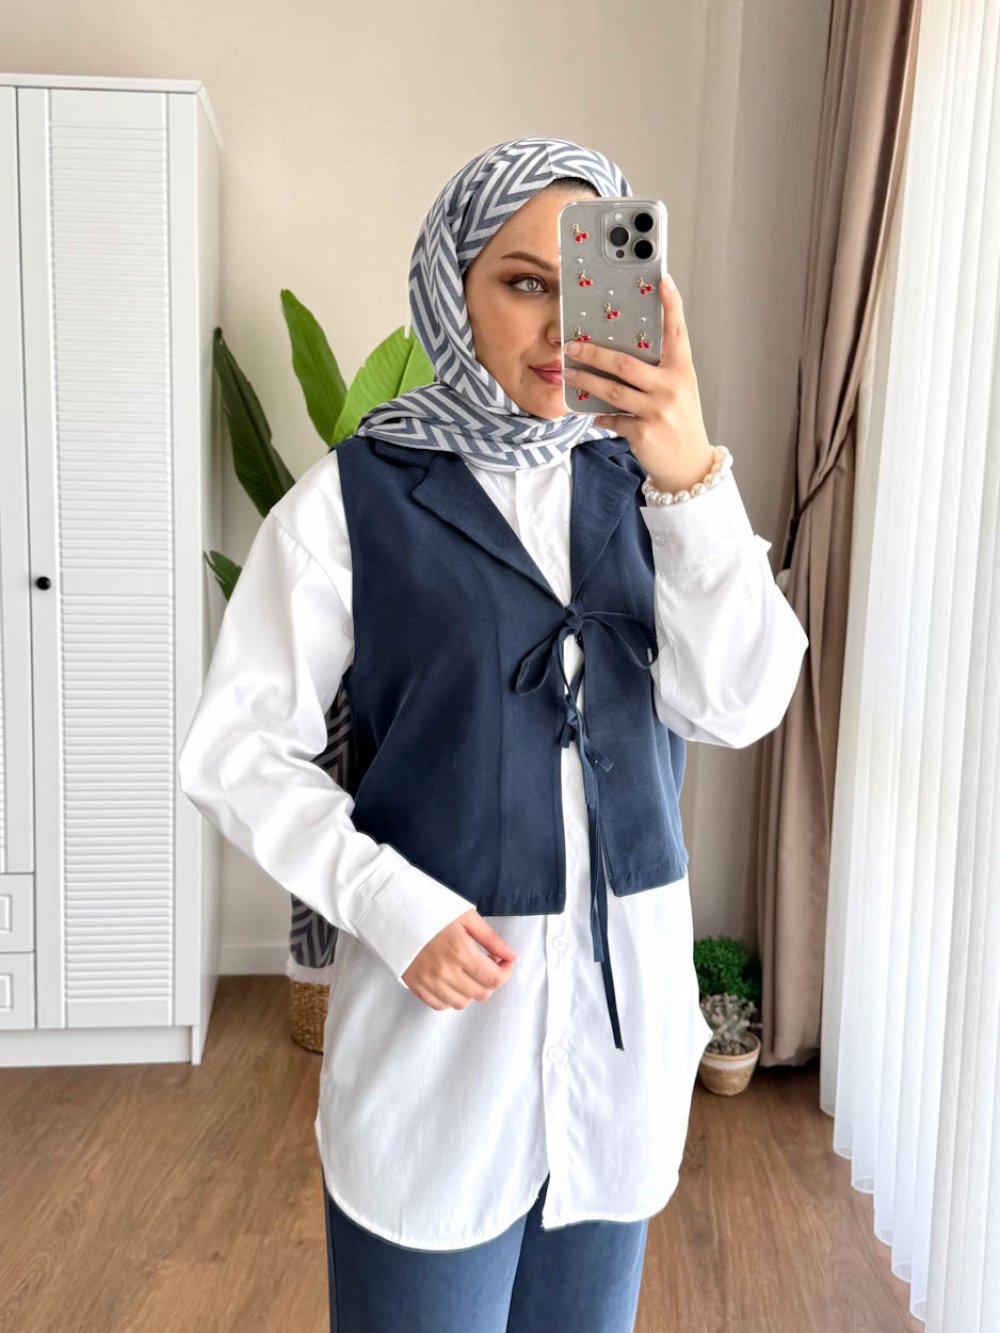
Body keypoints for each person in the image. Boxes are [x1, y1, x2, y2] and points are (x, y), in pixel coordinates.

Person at [177, 136, 808, 1333]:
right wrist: (386, 902)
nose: (562, 322)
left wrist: (687, 470)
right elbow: (235, 750)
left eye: (592, 280)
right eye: (524, 282)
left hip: (619, 1047)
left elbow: (741, 704)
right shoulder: (354, 498)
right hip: (440, 1045)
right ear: (451, 290)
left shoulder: (658, 489)